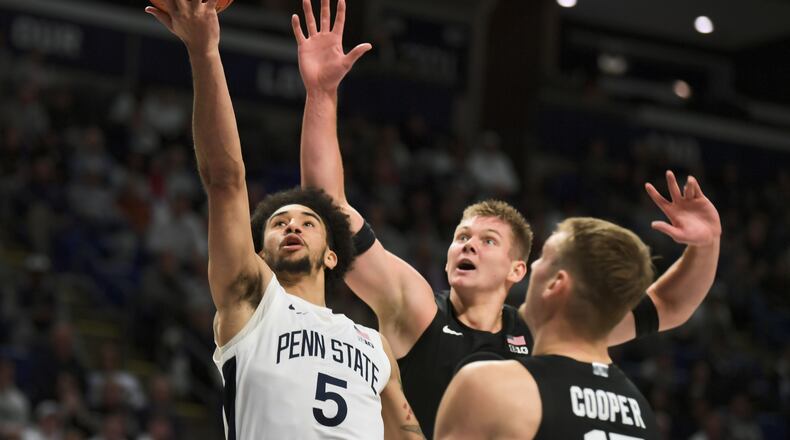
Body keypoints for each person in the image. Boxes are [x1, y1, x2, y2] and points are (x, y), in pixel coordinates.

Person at [294, 0, 723, 435]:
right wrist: (322, 95)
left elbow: (666, 306)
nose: (468, 244)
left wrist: (706, 246)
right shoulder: (419, 309)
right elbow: (328, 208)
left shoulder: (548, 327)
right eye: (462, 236)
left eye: (487, 241)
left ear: (519, 269)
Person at [144, 1, 422, 438]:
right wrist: (205, 52)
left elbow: (406, 430)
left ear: (333, 256)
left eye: (308, 222)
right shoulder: (253, 301)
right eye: (278, 223)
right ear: (259, 253)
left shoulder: (374, 345)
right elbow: (225, 180)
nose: (292, 226)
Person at [435, 217, 661, 439]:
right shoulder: (644, 414)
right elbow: (666, 305)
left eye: (543, 257)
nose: (533, 264)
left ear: (556, 283)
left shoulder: (489, 386)